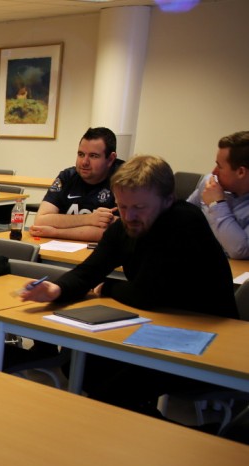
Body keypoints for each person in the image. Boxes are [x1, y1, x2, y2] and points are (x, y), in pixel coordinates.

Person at [21, 155, 236, 417]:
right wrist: (57, 289)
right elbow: (89, 270)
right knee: (82, 363)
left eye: (139, 207)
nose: (129, 216)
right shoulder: (126, 225)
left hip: (208, 338)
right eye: (122, 206)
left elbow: (146, 295)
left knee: (112, 394)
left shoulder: (183, 222)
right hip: (161, 326)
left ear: (168, 200)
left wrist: (106, 288)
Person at [30, 127, 124, 242]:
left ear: (110, 159)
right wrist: (89, 219)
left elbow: (115, 232)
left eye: (93, 156)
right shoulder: (67, 176)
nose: (84, 162)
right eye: (81, 154)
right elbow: (41, 221)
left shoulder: (124, 180)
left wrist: (56, 232)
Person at [186, 130, 249, 259]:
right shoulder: (210, 183)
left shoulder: (214, 193)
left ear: (241, 172)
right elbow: (183, 217)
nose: (213, 172)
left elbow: (240, 250)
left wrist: (217, 204)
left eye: (219, 166)